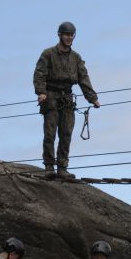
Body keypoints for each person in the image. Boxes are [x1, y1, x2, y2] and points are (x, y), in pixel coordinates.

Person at [33, 21, 101, 179]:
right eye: (66, 34)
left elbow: (83, 77)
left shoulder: (76, 58)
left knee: (66, 134)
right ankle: (49, 167)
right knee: (50, 133)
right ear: (59, 35)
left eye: (71, 35)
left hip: (67, 98)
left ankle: (62, 168)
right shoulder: (48, 53)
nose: (69, 37)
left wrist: (93, 99)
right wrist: (41, 92)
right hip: (50, 96)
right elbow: (39, 74)